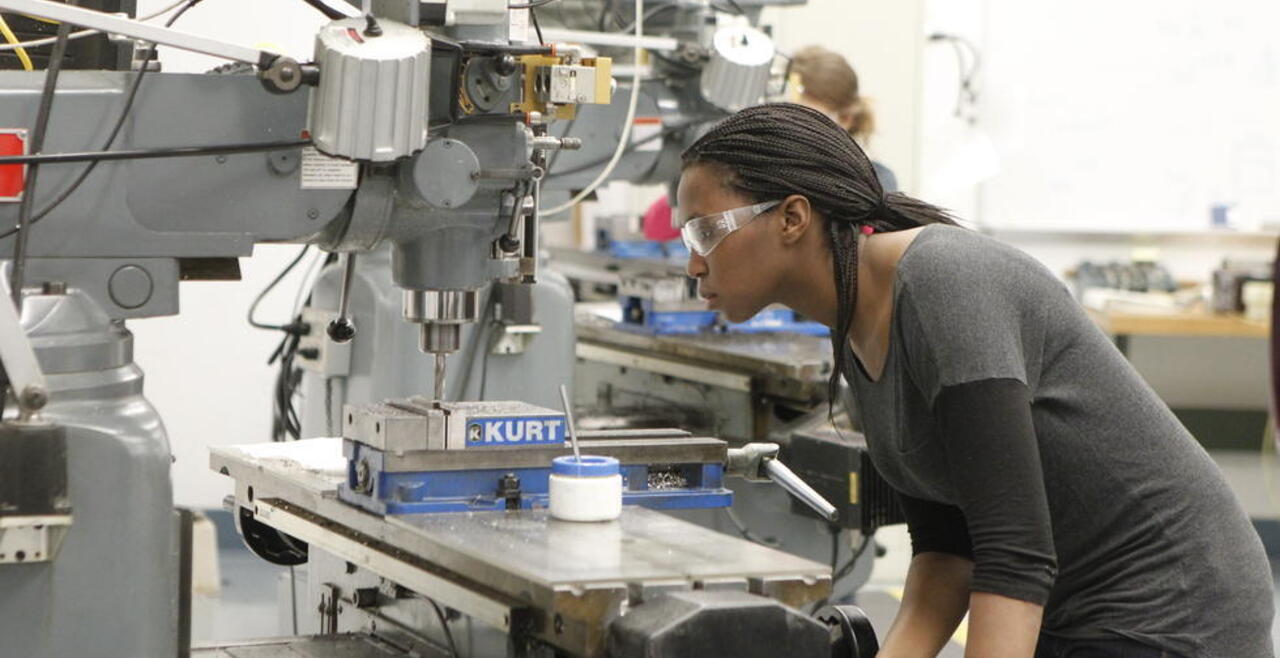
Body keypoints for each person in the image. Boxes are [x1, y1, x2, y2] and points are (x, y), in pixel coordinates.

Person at [676, 102, 1274, 658]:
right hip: (1076, 613)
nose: (692, 262)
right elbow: (946, 548)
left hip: (1176, 612)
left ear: (793, 217)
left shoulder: (944, 281)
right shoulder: (858, 328)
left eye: (704, 230)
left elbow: (1015, 553)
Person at [642, 45, 896, 241]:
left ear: (845, 118)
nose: (788, 130)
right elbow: (657, 227)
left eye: (803, 118)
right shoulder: (762, 177)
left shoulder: (876, 184)